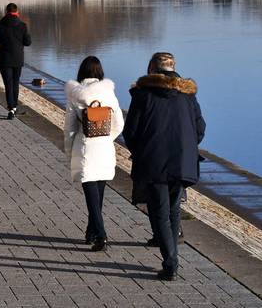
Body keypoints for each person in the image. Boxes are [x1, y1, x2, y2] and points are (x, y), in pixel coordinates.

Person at [123, 52, 206, 281]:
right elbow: (199, 129)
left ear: (152, 68)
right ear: (173, 68)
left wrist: (141, 152)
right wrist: (186, 148)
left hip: (153, 161)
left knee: (159, 211)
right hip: (181, 161)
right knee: (173, 209)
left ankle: (171, 262)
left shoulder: (142, 94)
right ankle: (172, 258)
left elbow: (130, 132)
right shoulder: (187, 95)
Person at [63, 56, 124, 252]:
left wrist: (69, 150)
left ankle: (101, 236)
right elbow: (119, 124)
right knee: (98, 195)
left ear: (81, 72)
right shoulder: (110, 95)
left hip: (85, 148)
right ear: (99, 72)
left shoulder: (75, 95)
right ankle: (91, 232)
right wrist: (106, 137)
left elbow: (70, 128)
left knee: (91, 198)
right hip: (105, 149)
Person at [0, 3, 32, 120]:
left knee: (8, 84)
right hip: (18, 59)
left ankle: (11, 108)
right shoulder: (22, 25)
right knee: (15, 82)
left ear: (6, 11)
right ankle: (14, 107)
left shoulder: (0, 25)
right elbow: (28, 42)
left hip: (5, 59)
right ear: (16, 12)